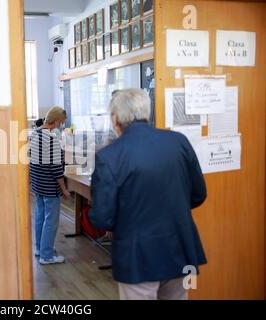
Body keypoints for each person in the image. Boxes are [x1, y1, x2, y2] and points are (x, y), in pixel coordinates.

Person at [89, 89, 207, 300]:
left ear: (115, 118)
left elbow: (102, 217)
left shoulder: (109, 156)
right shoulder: (178, 142)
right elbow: (199, 194)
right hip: (181, 248)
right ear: (147, 113)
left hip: (137, 256)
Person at [29, 107, 71, 265]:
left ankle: (40, 248)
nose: (61, 126)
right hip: (49, 185)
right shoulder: (51, 138)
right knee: (51, 220)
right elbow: (55, 169)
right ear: (57, 121)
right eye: (61, 123)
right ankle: (47, 255)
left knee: (40, 215)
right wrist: (64, 190)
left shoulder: (35, 133)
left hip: (38, 183)